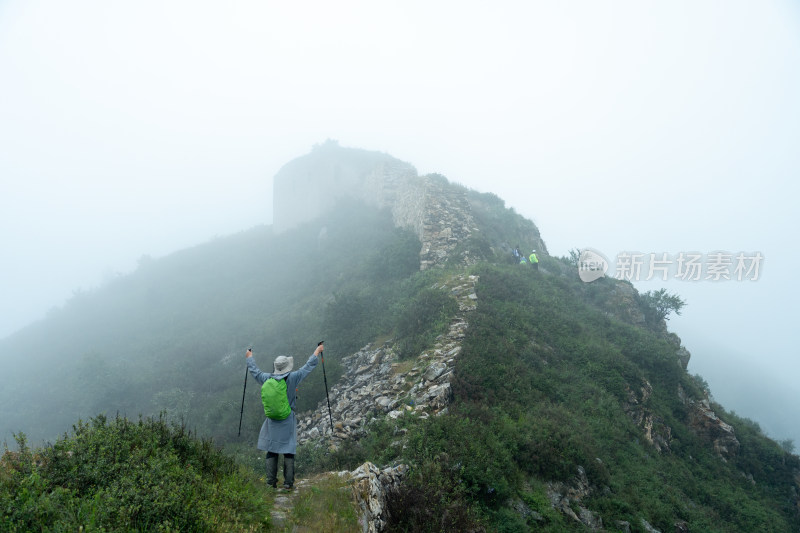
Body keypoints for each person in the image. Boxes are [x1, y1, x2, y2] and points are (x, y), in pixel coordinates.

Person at [246, 343, 323, 490]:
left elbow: (254, 372)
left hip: (272, 420)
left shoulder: (267, 378)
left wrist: (249, 358)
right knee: (288, 450)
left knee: (272, 449)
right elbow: (307, 367)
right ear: (287, 366)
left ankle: (270, 482)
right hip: (287, 418)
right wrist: (317, 351)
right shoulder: (293, 377)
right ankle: (288, 483)